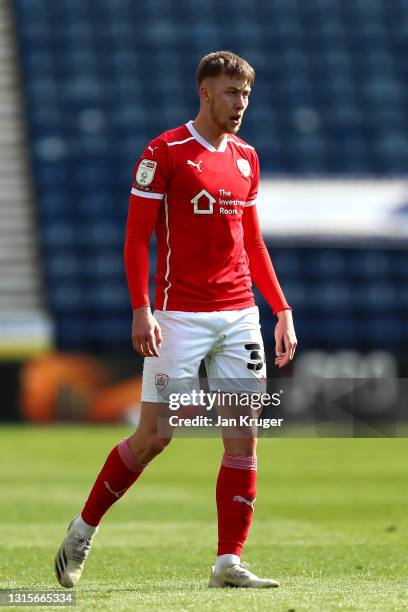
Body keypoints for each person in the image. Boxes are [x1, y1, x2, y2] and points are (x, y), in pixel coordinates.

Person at [54, 50, 297, 589]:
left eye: (247, 95)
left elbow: (252, 240)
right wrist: (141, 308)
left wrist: (280, 307)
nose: (241, 105)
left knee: (243, 438)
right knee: (153, 437)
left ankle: (228, 562)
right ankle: (83, 528)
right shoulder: (164, 152)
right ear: (205, 92)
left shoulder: (246, 158)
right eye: (232, 93)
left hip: (239, 316)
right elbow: (136, 237)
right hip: (179, 317)